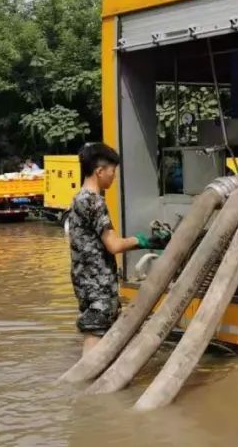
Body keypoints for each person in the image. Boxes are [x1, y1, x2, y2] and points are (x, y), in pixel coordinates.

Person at [67, 142, 168, 356]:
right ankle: (87, 376)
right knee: (95, 337)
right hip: (98, 282)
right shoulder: (95, 202)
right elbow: (113, 245)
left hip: (84, 280)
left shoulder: (78, 198)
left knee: (102, 334)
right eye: (112, 171)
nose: (113, 177)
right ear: (99, 171)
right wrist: (144, 241)